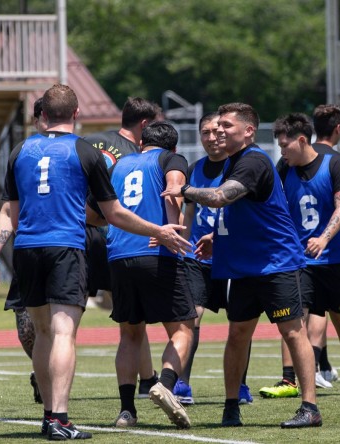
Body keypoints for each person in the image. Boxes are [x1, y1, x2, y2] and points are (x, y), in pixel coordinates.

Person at [4, 84, 190, 440]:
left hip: (29, 248)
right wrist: (160, 230)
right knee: (64, 333)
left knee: (49, 332)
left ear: (42, 114)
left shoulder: (20, 149)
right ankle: (62, 417)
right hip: (74, 248)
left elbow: (11, 213)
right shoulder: (84, 151)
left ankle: (61, 415)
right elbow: (118, 211)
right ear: (76, 114)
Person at [164, 103, 322, 428]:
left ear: (248, 131)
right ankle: (231, 406)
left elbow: (223, 197)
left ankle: (310, 407)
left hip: (275, 263)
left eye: (226, 125)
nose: (219, 130)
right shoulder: (235, 162)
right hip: (244, 266)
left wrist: (185, 190)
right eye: (216, 125)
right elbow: (246, 213)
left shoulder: (253, 160)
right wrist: (217, 238)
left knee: (293, 332)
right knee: (237, 334)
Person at [107, 121, 196, 429]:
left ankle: (127, 411)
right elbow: (173, 188)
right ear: (172, 147)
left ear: (141, 142)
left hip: (119, 254)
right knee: (183, 329)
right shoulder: (171, 158)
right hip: (156, 251)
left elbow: (98, 209)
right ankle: (165, 384)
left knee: (130, 335)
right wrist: (172, 230)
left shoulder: (118, 165)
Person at [273, 112, 340, 396]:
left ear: (302, 140)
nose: (282, 151)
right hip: (300, 260)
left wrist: (324, 238)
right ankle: (290, 380)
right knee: (294, 317)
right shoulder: (283, 168)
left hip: (337, 259)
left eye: (285, 145)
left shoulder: (336, 164)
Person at [172, 112, 253, 405]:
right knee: (190, 319)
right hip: (197, 256)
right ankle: (182, 383)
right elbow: (189, 212)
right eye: (204, 132)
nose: (210, 137)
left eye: (215, 131)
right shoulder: (194, 169)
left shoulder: (242, 167)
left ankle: (240, 386)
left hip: (232, 256)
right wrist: (182, 241)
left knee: (240, 324)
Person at [84, 97, 162, 397]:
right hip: (120, 239)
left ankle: (147, 379)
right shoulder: (140, 155)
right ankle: (149, 381)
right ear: (145, 124)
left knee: (66, 315)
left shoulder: (89, 141)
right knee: (133, 319)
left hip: (79, 233)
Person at [0, 98, 46, 407]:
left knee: (62, 325)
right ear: (34, 119)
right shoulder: (22, 154)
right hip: (28, 251)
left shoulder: (75, 150)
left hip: (66, 247)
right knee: (26, 328)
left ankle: (52, 387)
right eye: (41, 117)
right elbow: (8, 208)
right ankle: (41, 371)